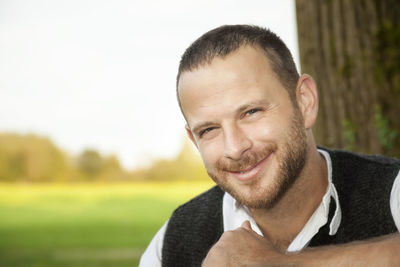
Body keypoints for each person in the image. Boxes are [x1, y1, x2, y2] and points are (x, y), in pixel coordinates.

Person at [139, 24, 400, 266]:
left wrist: (279, 263)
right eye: (209, 130)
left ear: (304, 101)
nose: (234, 148)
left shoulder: (391, 191)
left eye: (251, 112)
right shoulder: (172, 243)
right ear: (194, 140)